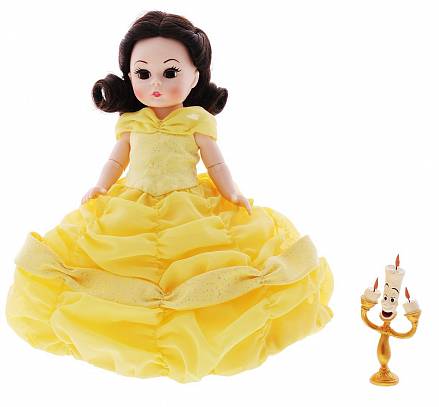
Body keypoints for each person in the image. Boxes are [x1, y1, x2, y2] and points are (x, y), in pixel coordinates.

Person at [5, 10, 334, 383]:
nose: (156, 84)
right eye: (143, 74)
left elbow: (216, 163)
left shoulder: (196, 121)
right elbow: (117, 160)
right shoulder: (132, 122)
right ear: (130, 77)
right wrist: (101, 185)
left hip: (188, 204)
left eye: (171, 72)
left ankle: (207, 329)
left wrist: (231, 192)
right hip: (131, 202)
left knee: (209, 263)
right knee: (103, 263)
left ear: (195, 75)